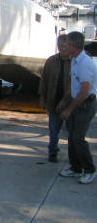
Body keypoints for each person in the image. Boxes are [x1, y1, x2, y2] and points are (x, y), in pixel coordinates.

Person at [59, 31, 96, 184]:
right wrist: (65, 102)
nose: (63, 47)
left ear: (73, 46)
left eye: (66, 45)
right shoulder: (74, 60)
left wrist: (69, 109)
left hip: (85, 104)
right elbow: (74, 87)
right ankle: (75, 168)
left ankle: (89, 170)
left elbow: (84, 91)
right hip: (77, 102)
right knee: (72, 136)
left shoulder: (84, 63)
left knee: (78, 138)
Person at [38, 34, 71, 162]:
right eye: (60, 45)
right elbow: (44, 80)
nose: (62, 48)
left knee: (72, 132)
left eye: (65, 45)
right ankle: (52, 152)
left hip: (69, 104)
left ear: (69, 46)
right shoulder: (51, 61)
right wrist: (42, 97)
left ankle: (73, 155)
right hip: (53, 101)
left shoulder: (75, 62)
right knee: (53, 131)